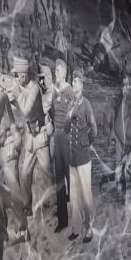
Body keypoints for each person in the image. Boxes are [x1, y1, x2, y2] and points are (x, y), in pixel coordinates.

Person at [4, 57, 52, 215]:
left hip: (40, 135)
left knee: (47, 171)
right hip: (31, 137)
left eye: (17, 75)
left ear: (24, 75)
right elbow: (16, 107)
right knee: (25, 173)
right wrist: (10, 98)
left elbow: (25, 109)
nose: (16, 78)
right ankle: (27, 205)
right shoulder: (24, 88)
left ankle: (53, 202)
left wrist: (17, 93)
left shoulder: (34, 88)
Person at [67, 71, 97, 242]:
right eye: (73, 81)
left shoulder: (86, 105)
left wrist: (86, 143)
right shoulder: (71, 103)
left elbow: (94, 129)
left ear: (82, 85)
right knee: (74, 196)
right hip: (72, 157)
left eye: (76, 81)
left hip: (83, 157)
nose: (73, 83)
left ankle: (90, 227)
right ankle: (76, 228)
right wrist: (69, 114)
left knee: (86, 194)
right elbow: (65, 127)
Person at [50, 58, 73, 232]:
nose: (55, 74)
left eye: (57, 71)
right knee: (59, 179)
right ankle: (62, 221)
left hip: (67, 138)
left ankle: (79, 217)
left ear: (63, 73)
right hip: (57, 137)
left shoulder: (70, 92)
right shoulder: (53, 91)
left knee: (71, 177)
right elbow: (51, 112)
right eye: (55, 71)